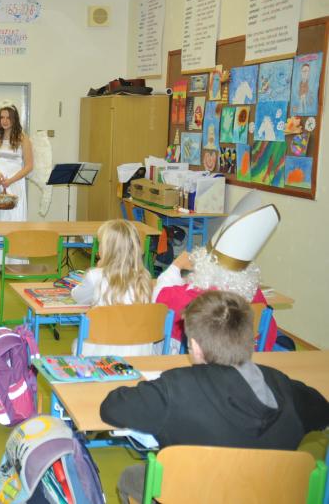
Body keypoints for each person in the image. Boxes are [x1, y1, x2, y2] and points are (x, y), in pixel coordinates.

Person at [101, 290, 329, 504]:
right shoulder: (286, 388)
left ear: (195, 346)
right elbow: (323, 412)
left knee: (130, 477)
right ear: (249, 339)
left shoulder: (173, 388)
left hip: (191, 493)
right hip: (265, 493)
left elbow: (111, 408)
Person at [154, 202, 280, 353]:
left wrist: (176, 265)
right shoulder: (256, 295)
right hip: (242, 359)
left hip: (197, 359)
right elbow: (269, 333)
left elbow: (158, 297)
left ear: (207, 263)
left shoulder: (196, 297)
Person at [71, 219, 156, 356]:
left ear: (106, 249)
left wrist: (97, 270)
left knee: (77, 343)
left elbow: (77, 297)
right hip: (139, 352)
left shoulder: (96, 276)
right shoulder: (145, 277)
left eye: (100, 244)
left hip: (103, 353)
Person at [0, 102, 33, 270]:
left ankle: (13, 263)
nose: (5, 120)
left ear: (14, 119)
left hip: (15, 183)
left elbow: (29, 165)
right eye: (2, 117)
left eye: (8, 117)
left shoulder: (23, 138)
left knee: (13, 221)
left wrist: (11, 180)